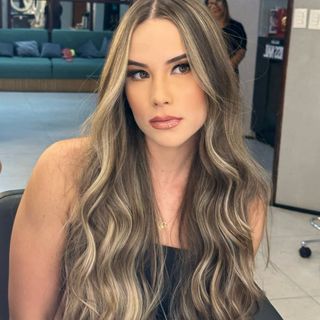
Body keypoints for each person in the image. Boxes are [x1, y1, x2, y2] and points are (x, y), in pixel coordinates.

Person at [9, 0, 278, 319]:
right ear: (121, 87)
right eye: (138, 73)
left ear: (214, 75)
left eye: (182, 67)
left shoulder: (243, 197)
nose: (159, 95)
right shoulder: (65, 171)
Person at [206, 0, 247, 75]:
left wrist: (228, 67)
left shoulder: (237, 27)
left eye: (218, 1)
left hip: (230, 75)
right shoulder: (203, 28)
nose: (215, 5)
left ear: (224, 3)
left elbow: (241, 50)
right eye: (211, 3)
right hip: (207, 74)